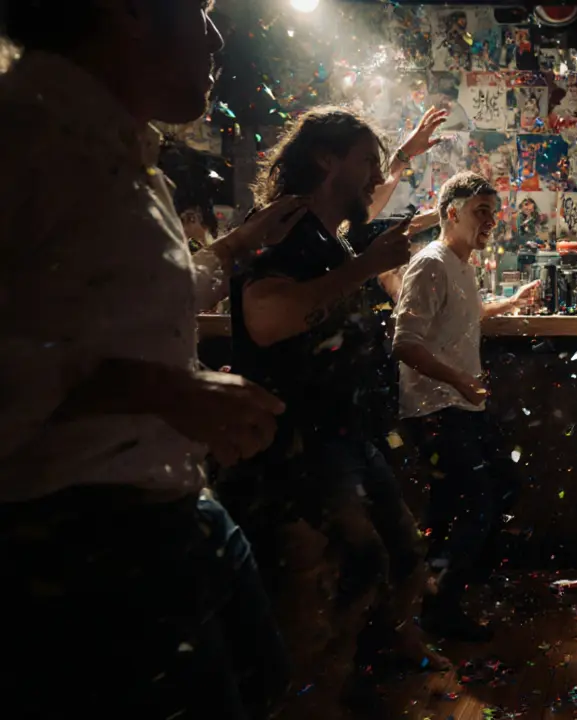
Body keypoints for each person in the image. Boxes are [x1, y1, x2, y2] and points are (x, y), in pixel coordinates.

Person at [0, 1, 307, 717]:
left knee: (264, 681)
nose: (217, 35)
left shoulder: (115, 148)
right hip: (74, 546)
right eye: (199, 9)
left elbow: (106, 304)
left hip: (170, 511)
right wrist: (161, 391)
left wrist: (232, 250)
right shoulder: (24, 139)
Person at [219, 106, 434, 718]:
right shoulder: (284, 229)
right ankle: (312, 701)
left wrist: (401, 159)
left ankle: (369, 673)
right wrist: (365, 268)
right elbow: (266, 321)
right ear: (324, 159)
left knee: (396, 553)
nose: (376, 177)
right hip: (296, 443)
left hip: (345, 433)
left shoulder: (328, 229)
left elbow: (370, 193)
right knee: (339, 574)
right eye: (366, 161)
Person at [393, 171, 541, 641]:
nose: (492, 223)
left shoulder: (461, 265)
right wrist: (460, 378)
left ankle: (442, 591)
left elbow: (464, 315)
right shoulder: (430, 263)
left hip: (461, 405)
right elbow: (404, 342)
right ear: (451, 213)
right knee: (478, 502)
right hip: (433, 408)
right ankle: (441, 607)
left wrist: (509, 303)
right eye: (482, 212)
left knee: (494, 491)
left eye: (493, 214)